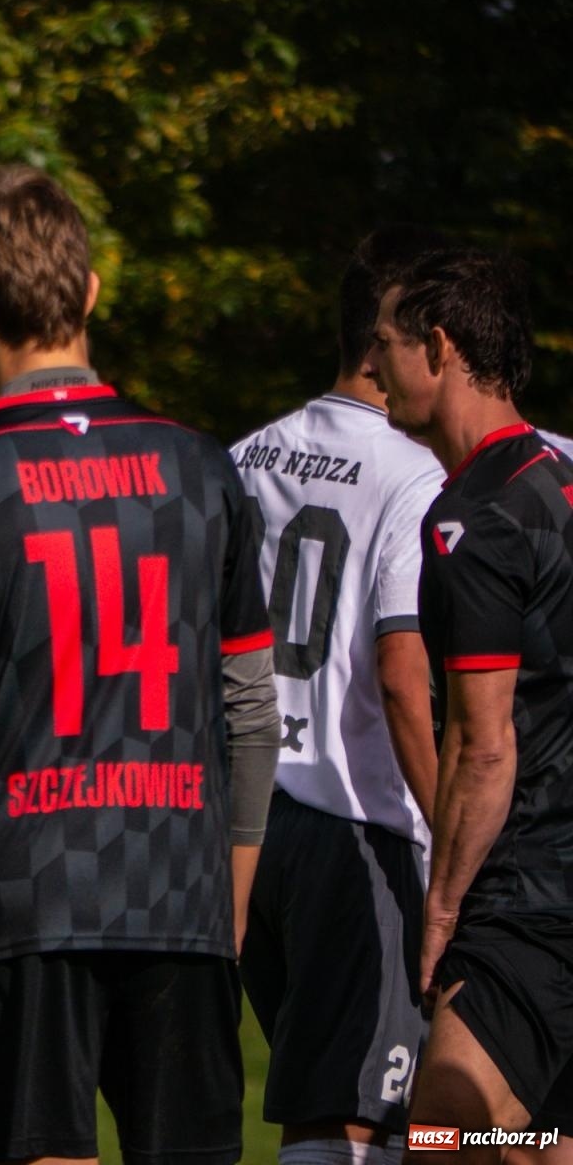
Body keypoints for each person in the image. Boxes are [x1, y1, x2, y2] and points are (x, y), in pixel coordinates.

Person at [0, 164, 280, 1165]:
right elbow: (251, 712)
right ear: (88, 293)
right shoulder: (201, 469)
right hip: (178, 884)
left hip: (24, 890)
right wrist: (234, 893)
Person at [229, 228, 446, 1165]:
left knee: (356, 1103)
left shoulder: (242, 458)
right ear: (385, 344)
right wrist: (452, 837)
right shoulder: (414, 474)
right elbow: (404, 678)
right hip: (355, 825)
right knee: (356, 1121)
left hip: (242, 824)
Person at [364, 249, 573, 1163]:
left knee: (445, 1133)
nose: (372, 369)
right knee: (535, 1145)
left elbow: (482, 748)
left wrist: (442, 909)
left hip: (528, 896)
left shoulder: (474, 518)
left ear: (439, 349)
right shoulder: (559, 482)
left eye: (385, 346)